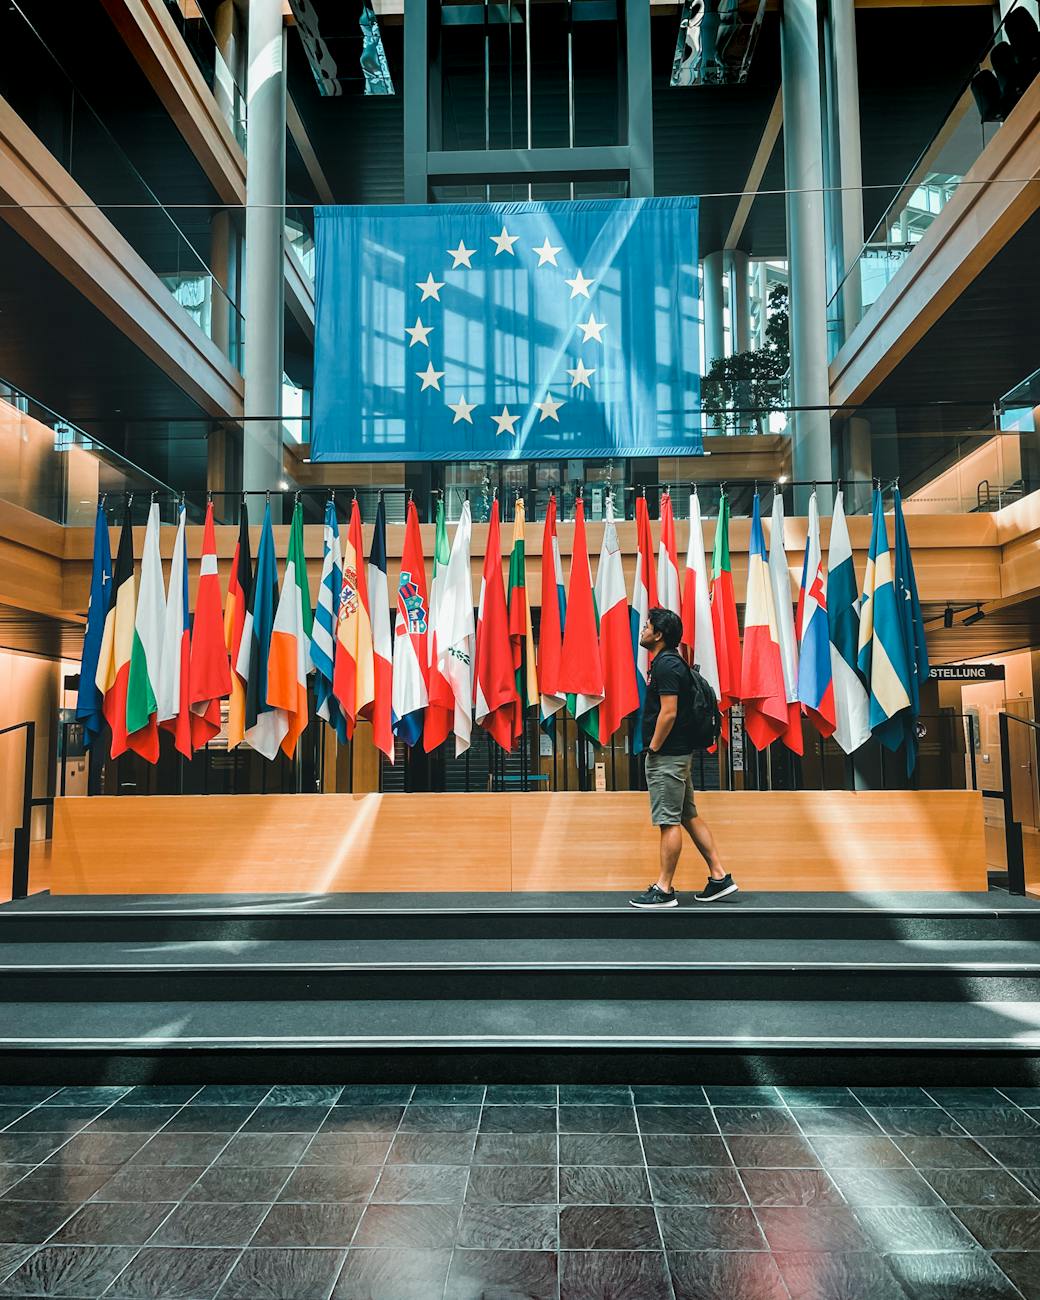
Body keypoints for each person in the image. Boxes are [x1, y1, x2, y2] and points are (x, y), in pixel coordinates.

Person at [629, 607, 737, 907]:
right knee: (688, 815)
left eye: (647, 626)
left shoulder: (665, 666)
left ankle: (664, 889)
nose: (643, 631)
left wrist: (653, 747)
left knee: (668, 821)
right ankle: (719, 877)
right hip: (679, 755)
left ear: (659, 634)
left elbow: (669, 712)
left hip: (667, 757)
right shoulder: (675, 663)